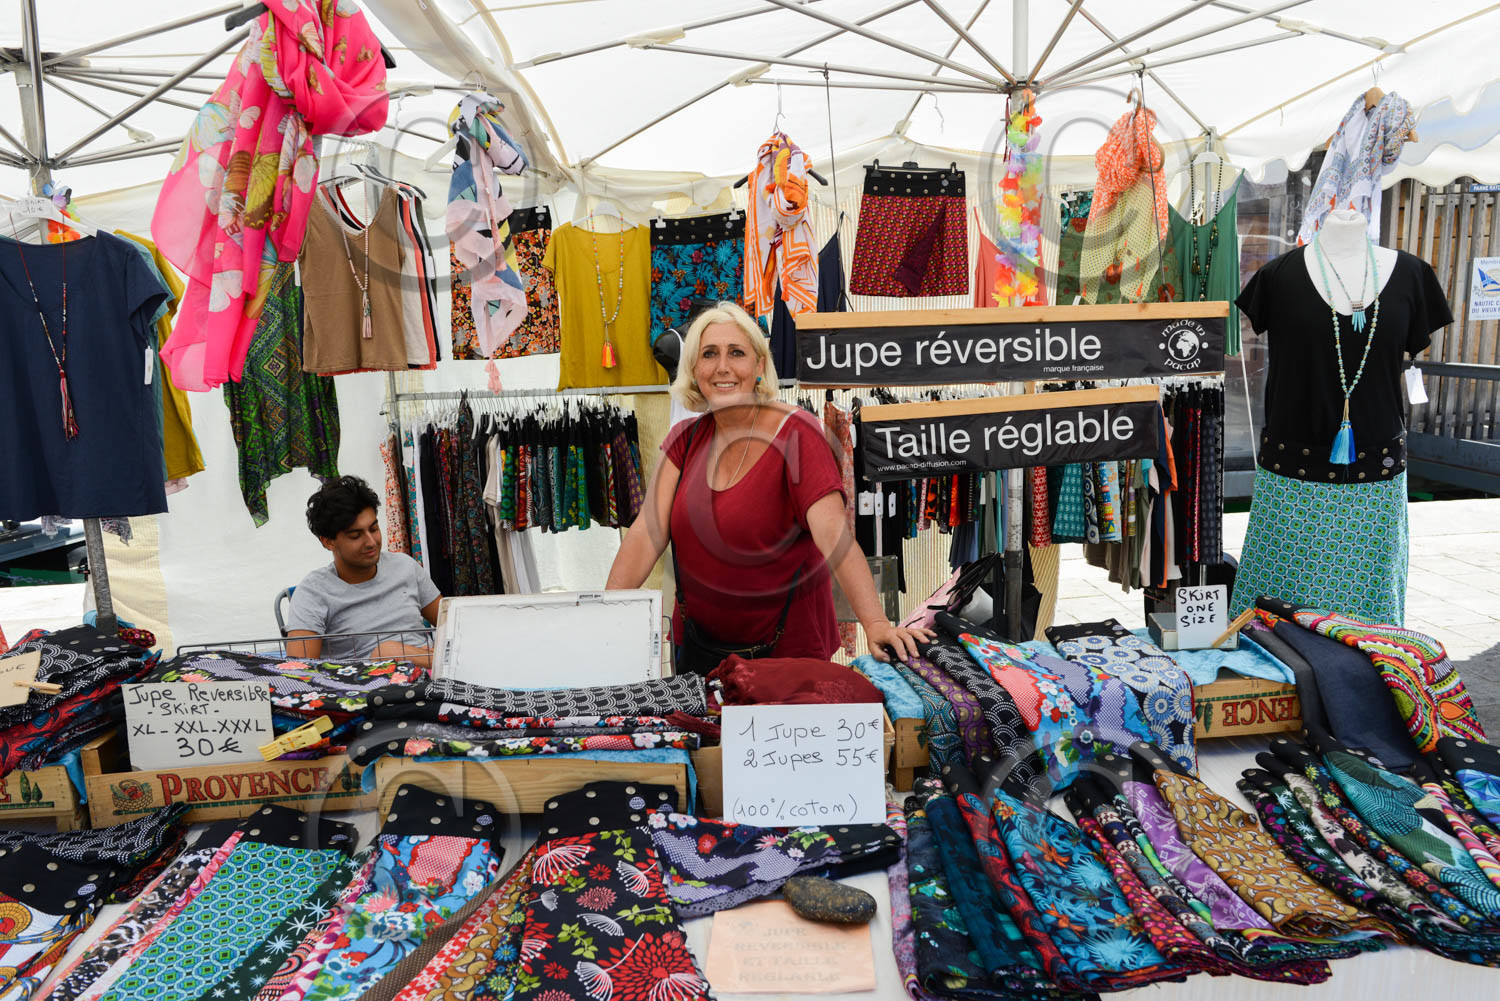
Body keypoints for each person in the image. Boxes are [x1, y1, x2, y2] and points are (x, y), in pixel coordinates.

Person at [606, 301, 932, 667]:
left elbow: (834, 537)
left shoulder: (798, 435)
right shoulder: (685, 439)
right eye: (709, 354)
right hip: (699, 654)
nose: (722, 367)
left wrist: (875, 623)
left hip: (787, 656)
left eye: (737, 353)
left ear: (759, 366)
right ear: (694, 369)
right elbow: (645, 535)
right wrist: (603, 616)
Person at [285, 475, 441, 663]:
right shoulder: (313, 593)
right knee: (387, 652)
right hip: (367, 688)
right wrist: (389, 656)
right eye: (355, 535)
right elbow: (299, 670)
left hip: (433, 678)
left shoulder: (405, 566)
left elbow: (453, 624)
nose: (371, 542)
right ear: (327, 541)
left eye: (374, 529)